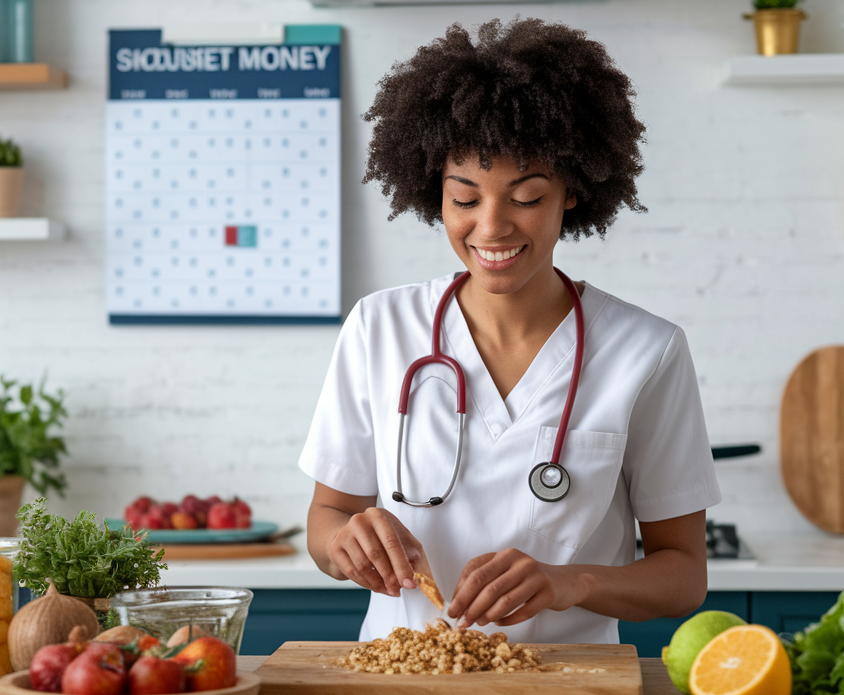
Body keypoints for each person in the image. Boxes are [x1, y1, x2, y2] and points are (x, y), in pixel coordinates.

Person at [299, 18, 720, 644]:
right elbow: (325, 521)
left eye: (525, 197)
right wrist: (344, 542)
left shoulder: (646, 350)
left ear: (571, 192)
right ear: (433, 194)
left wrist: (567, 583)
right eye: (464, 199)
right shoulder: (379, 327)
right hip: (403, 689)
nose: (491, 228)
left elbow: (684, 576)